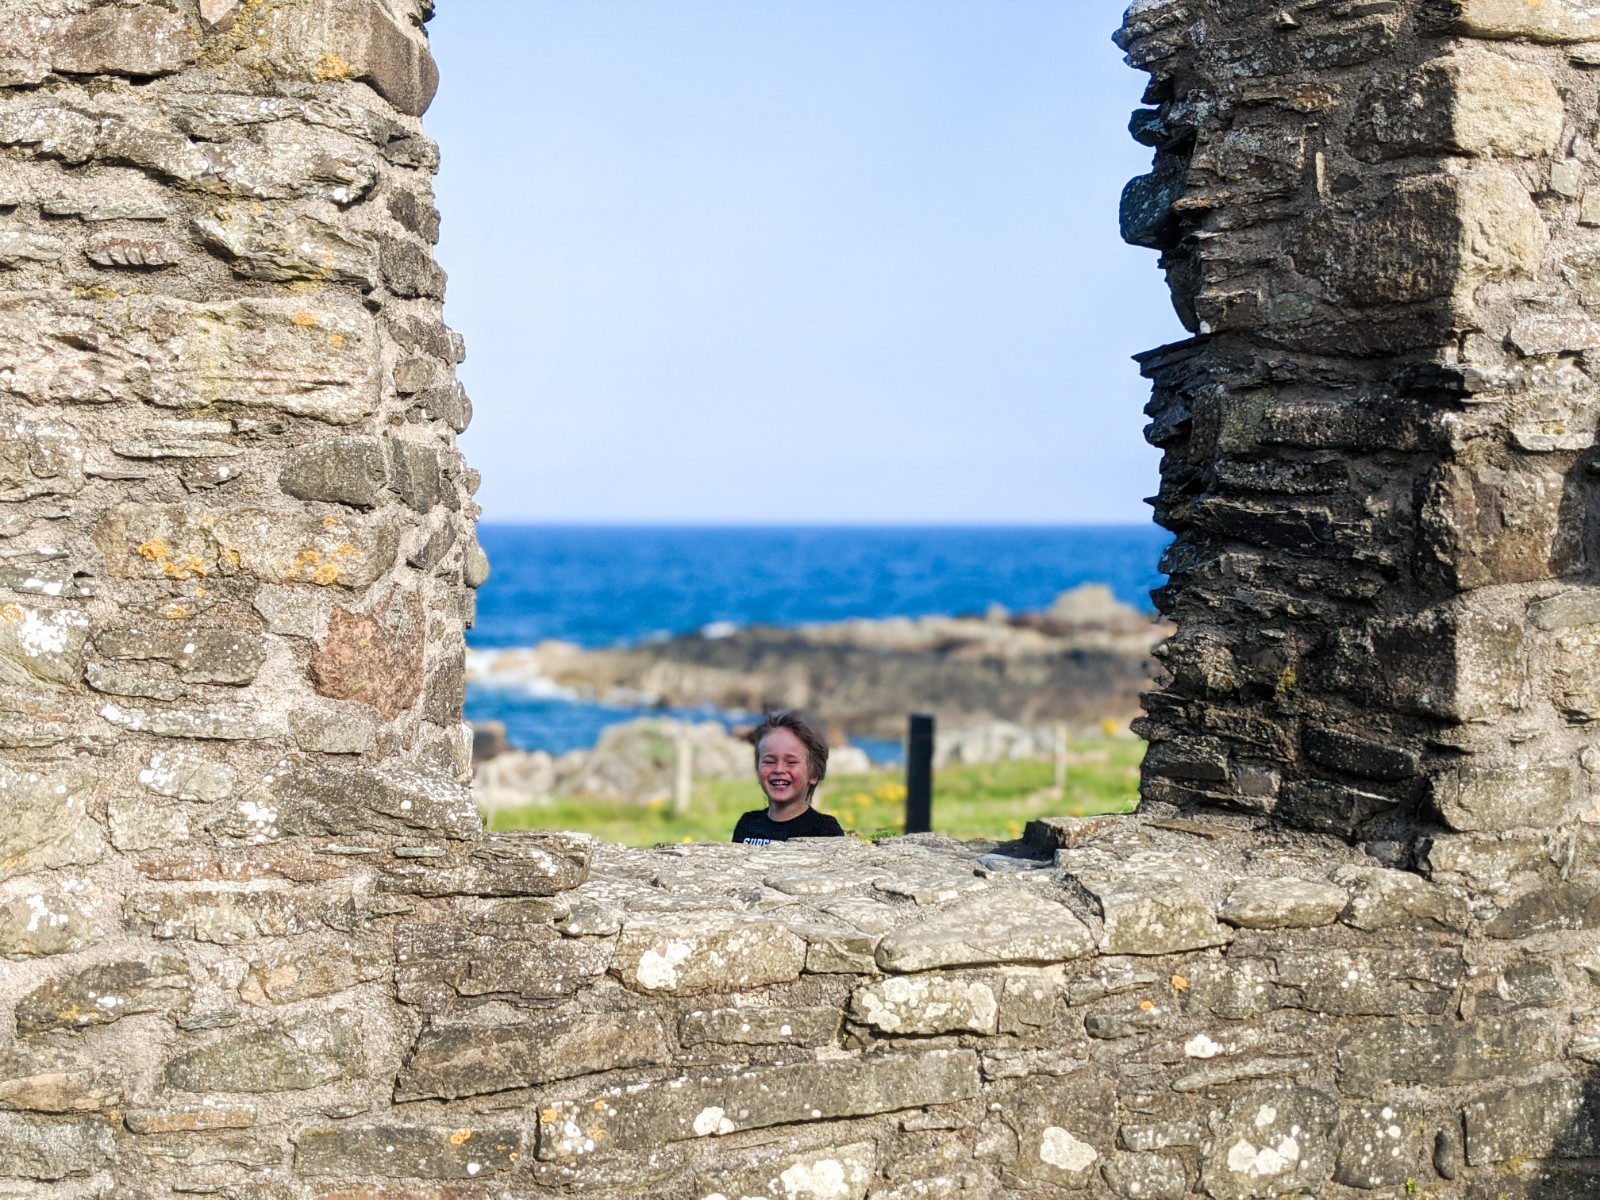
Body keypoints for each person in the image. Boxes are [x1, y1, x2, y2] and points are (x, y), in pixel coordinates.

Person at [731, 710, 845, 844]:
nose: (779, 769)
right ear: (757, 769)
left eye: (791, 762)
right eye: (769, 761)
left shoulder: (825, 831)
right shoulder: (747, 825)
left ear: (814, 774)